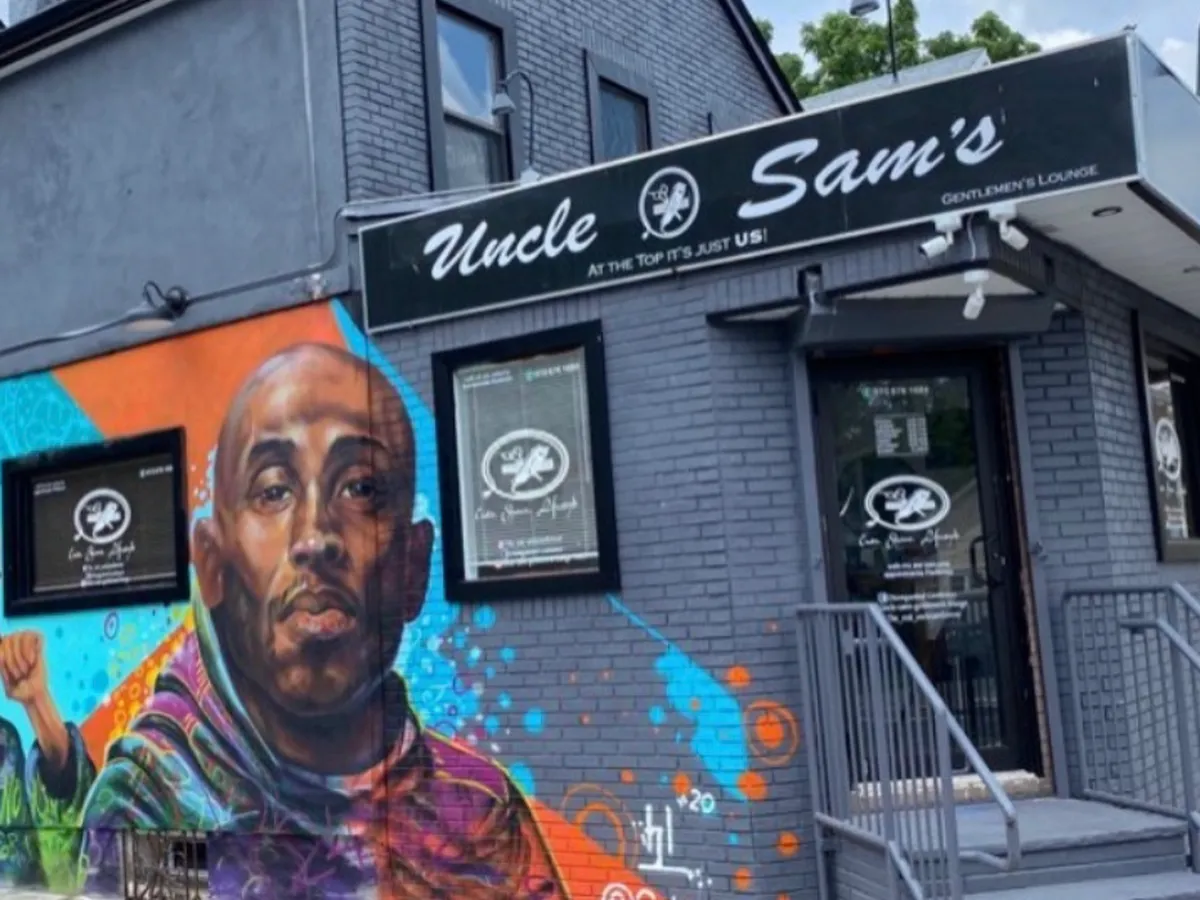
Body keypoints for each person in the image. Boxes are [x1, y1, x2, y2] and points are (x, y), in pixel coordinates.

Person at [16, 343, 568, 900]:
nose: (315, 538)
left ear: (413, 565)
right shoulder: (152, 800)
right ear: (213, 565)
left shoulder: (480, 818)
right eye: (273, 491)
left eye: (361, 488)